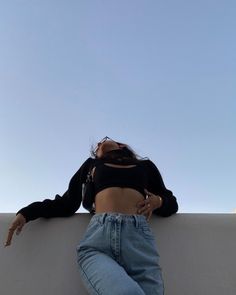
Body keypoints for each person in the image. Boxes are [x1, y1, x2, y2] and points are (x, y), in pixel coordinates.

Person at [5, 136, 178, 295]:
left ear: (121, 145)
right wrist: (27, 213)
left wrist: (159, 202)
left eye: (102, 141)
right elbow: (66, 204)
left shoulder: (145, 166)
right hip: (99, 244)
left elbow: (171, 203)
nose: (98, 145)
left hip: (139, 245)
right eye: (96, 148)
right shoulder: (91, 165)